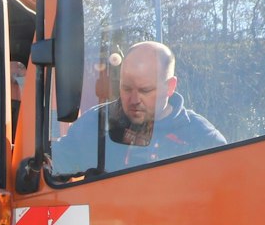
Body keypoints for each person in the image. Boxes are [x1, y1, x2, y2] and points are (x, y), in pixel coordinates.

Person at [60, 41, 225, 172]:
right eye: (126, 88)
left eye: (145, 90)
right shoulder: (95, 124)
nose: (134, 100)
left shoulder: (201, 139)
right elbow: (54, 166)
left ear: (170, 87)